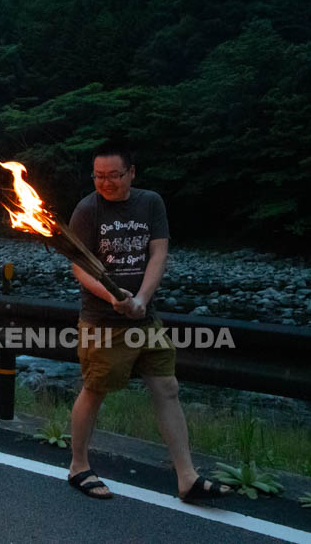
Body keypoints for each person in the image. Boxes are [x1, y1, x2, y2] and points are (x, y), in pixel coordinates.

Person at [66, 143, 231, 503]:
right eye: (98, 175)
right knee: (95, 390)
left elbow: (158, 252)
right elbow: (79, 265)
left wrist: (141, 298)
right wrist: (112, 297)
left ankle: (187, 477)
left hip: (146, 318)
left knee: (167, 387)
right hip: (102, 322)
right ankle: (78, 466)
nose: (105, 182)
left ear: (131, 173)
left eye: (113, 175)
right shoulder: (87, 209)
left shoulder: (151, 202)